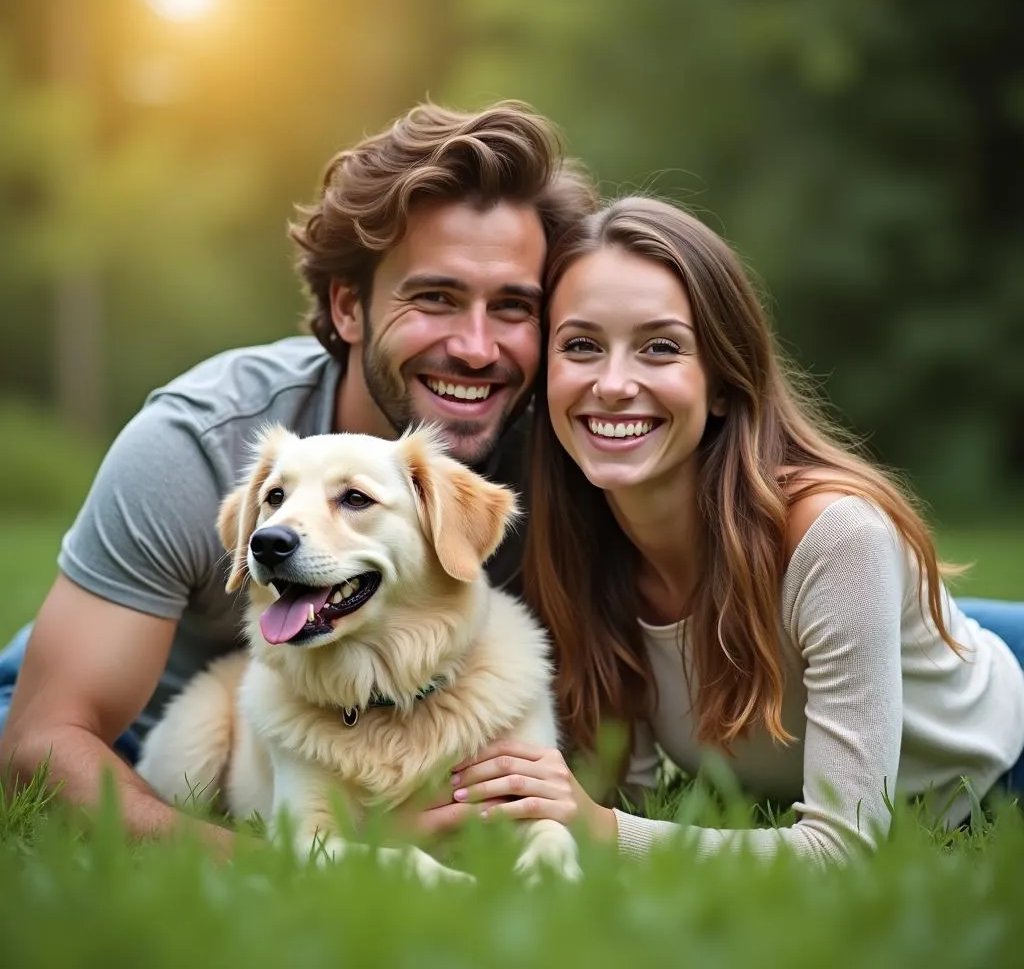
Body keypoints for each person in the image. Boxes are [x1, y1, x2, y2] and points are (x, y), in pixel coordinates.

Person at [0, 101, 596, 847]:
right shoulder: (199, 441)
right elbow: (40, 742)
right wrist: (271, 864)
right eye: (435, 297)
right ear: (349, 307)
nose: (477, 348)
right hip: (140, 744)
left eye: (513, 307)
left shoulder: (570, 450)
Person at [445, 196, 1024, 865]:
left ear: (721, 383)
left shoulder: (838, 537)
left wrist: (600, 826)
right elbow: (620, 796)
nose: (612, 383)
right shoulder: (579, 542)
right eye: (581, 346)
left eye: (660, 347)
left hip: (1004, 749)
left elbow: (842, 851)